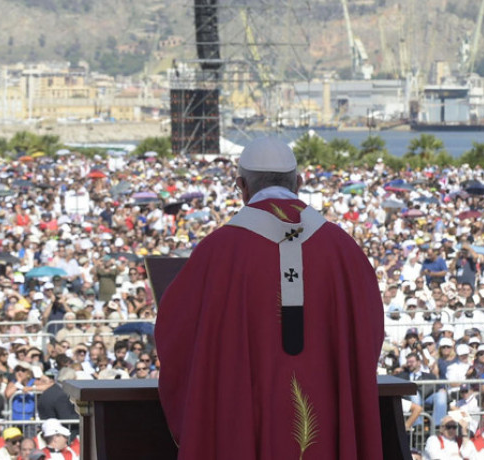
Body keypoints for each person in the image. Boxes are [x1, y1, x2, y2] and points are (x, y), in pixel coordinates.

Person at [156, 138, 385, 459]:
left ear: (241, 186)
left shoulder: (217, 251)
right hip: (329, 415)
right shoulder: (343, 250)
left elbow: (175, 334)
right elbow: (369, 332)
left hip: (245, 419)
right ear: (300, 183)